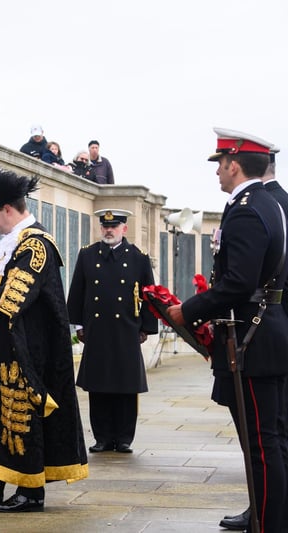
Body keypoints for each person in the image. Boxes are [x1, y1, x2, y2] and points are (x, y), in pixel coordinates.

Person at [0, 167, 89, 512]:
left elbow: (13, 297)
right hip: (0, 346)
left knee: (19, 417)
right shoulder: (14, 245)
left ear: (8, 209)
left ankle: (30, 491)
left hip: (29, 350)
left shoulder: (36, 246)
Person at [165, 128, 288, 533]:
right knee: (271, 439)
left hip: (252, 339)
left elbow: (237, 282)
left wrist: (189, 311)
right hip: (267, 333)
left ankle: (268, 524)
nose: (217, 171)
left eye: (220, 163)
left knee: (261, 444)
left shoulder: (249, 208)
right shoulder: (268, 203)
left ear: (234, 164)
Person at [67, 209, 158, 454]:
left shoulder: (138, 257)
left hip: (126, 329)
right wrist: (78, 325)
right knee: (99, 386)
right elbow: (77, 292)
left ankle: (124, 438)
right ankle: (103, 437)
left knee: (126, 387)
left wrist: (147, 328)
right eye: (105, 226)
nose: (109, 230)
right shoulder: (87, 255)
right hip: (96, 330)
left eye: (114, 226)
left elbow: (149, 294)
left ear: (124, 229)